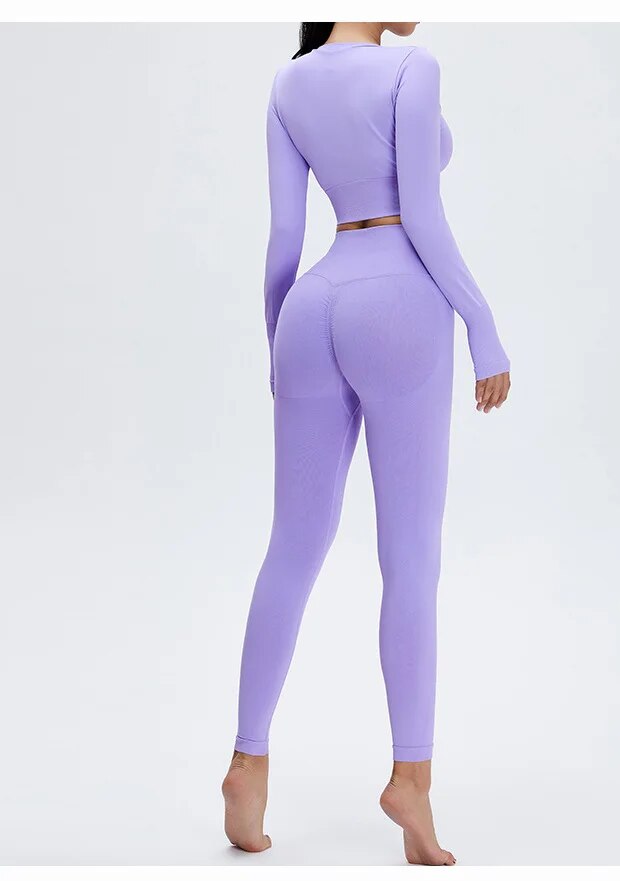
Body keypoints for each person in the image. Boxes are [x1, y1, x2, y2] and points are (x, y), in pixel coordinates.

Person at [222, 21, 511, 866]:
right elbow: (422, 214)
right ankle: (410, 778)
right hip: (399, 302)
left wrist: (277, 345)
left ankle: (246, 759)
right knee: (410, 555)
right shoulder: (411, 67)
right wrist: (482, 323)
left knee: (291, 546)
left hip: (311, 304)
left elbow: (283, 237)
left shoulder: (288, 85)